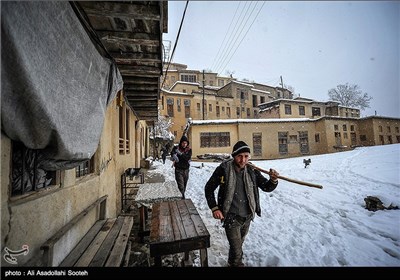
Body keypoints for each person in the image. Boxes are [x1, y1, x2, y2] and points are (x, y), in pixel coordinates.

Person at [204, 140, 279, 267]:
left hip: (247, 216)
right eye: (239, 156)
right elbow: (209, 188)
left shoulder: (252, 170)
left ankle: (231, 262)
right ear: (234, 156)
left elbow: (266, 187)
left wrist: (273, 180)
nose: (243, 160)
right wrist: (215, 208)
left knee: (237, 246)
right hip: (231, 217)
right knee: (237, 250)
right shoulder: (224, 169)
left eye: (246, 156)